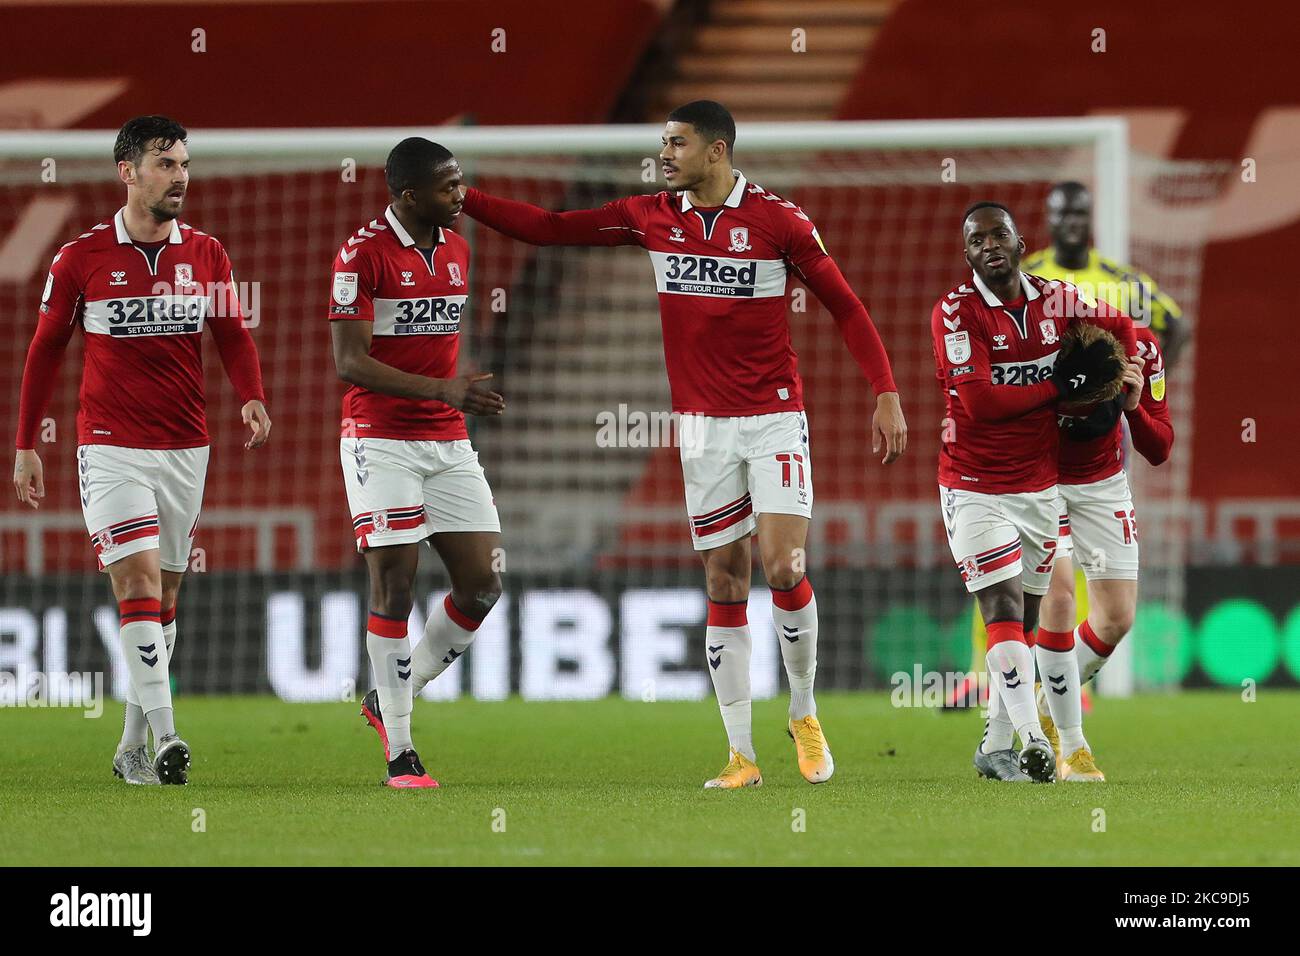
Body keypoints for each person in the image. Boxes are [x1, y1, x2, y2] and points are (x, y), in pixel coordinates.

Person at [459, 100, 908, 788]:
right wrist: (469, 199)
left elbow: (845, 305)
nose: (665, 154)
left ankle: (804, 711)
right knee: (724, 577)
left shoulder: (780, 223)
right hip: (701, 428)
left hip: (774, 418)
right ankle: (740, 755)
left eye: (677, 143)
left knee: (784, 565)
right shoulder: (649, 216)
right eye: (663, 143)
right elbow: (550, 229)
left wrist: (884, 391)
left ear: (717, 151)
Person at [12, 115, 271, 785]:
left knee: (166, 597)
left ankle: (131, 748)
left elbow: (232, 333)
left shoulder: (208, 254)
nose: (180, 176)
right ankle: (167, 733)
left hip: (187, 445)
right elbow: (45, 351)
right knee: (137, 580)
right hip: (110, 445)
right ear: (127, 172)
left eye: (184, 163)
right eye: (166, 164)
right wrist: (25, 444)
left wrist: (251, 393)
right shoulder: (81, 258)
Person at [328, 137, 506, 789]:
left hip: (446, 437)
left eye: (461, 181)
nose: (461, 195)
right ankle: (401, 749)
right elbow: (348, 362)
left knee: (483, 583)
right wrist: (444, 389)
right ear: (408, 196)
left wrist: (450, 396)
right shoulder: (361, 255)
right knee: (395, 585)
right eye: (448, 186)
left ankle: (386, 696)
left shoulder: (457, 249)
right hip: (380, 439)